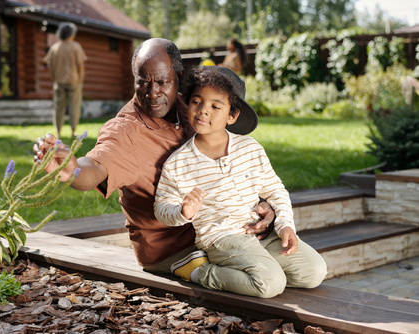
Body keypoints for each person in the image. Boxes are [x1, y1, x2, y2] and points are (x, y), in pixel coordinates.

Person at [33, 38, 274, 278]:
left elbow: (234, 162)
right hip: (173, 249)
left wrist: (264, 206)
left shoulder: (192, 107)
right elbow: (96, 165)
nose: (152, 92)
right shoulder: (125, 131)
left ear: (179, 75)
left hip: (219, 227)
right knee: (265, 278)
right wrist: (73, 169)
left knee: (298, 267)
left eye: (161, 82)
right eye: (143, 82)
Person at [154, 66, 327, 298]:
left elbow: (275, 190)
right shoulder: (178, 163)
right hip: (222, 239)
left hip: (261, 234)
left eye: (216, 106)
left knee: (314, 272)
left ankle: (260, 267)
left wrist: (285, 225)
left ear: (232, 115)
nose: (203, 111)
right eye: (197, 102)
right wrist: (183, 211)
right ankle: (199, 271)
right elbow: (161, 208)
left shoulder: (250, 148)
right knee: (270, 284)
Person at [44, 22, 88, 138]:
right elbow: (80, 64)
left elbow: (49, 65)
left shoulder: (54, 47)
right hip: (74, 81)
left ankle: (58, 132)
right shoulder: (75, 46)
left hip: (58, 82)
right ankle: (73, 131)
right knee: (74, 106)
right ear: (71, 34)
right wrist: (81, 77)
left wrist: (53, 77)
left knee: (58, 107)